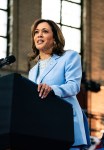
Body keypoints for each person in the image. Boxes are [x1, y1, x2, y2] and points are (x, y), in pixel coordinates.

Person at [28, 18, 91, 149]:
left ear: (55, 38)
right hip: (42, 130)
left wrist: (52, 89)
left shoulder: (69, 56)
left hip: (65, 124)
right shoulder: (32, 71)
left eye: (45, 31)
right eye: (36, 32)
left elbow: (74, 86)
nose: (39, 35)